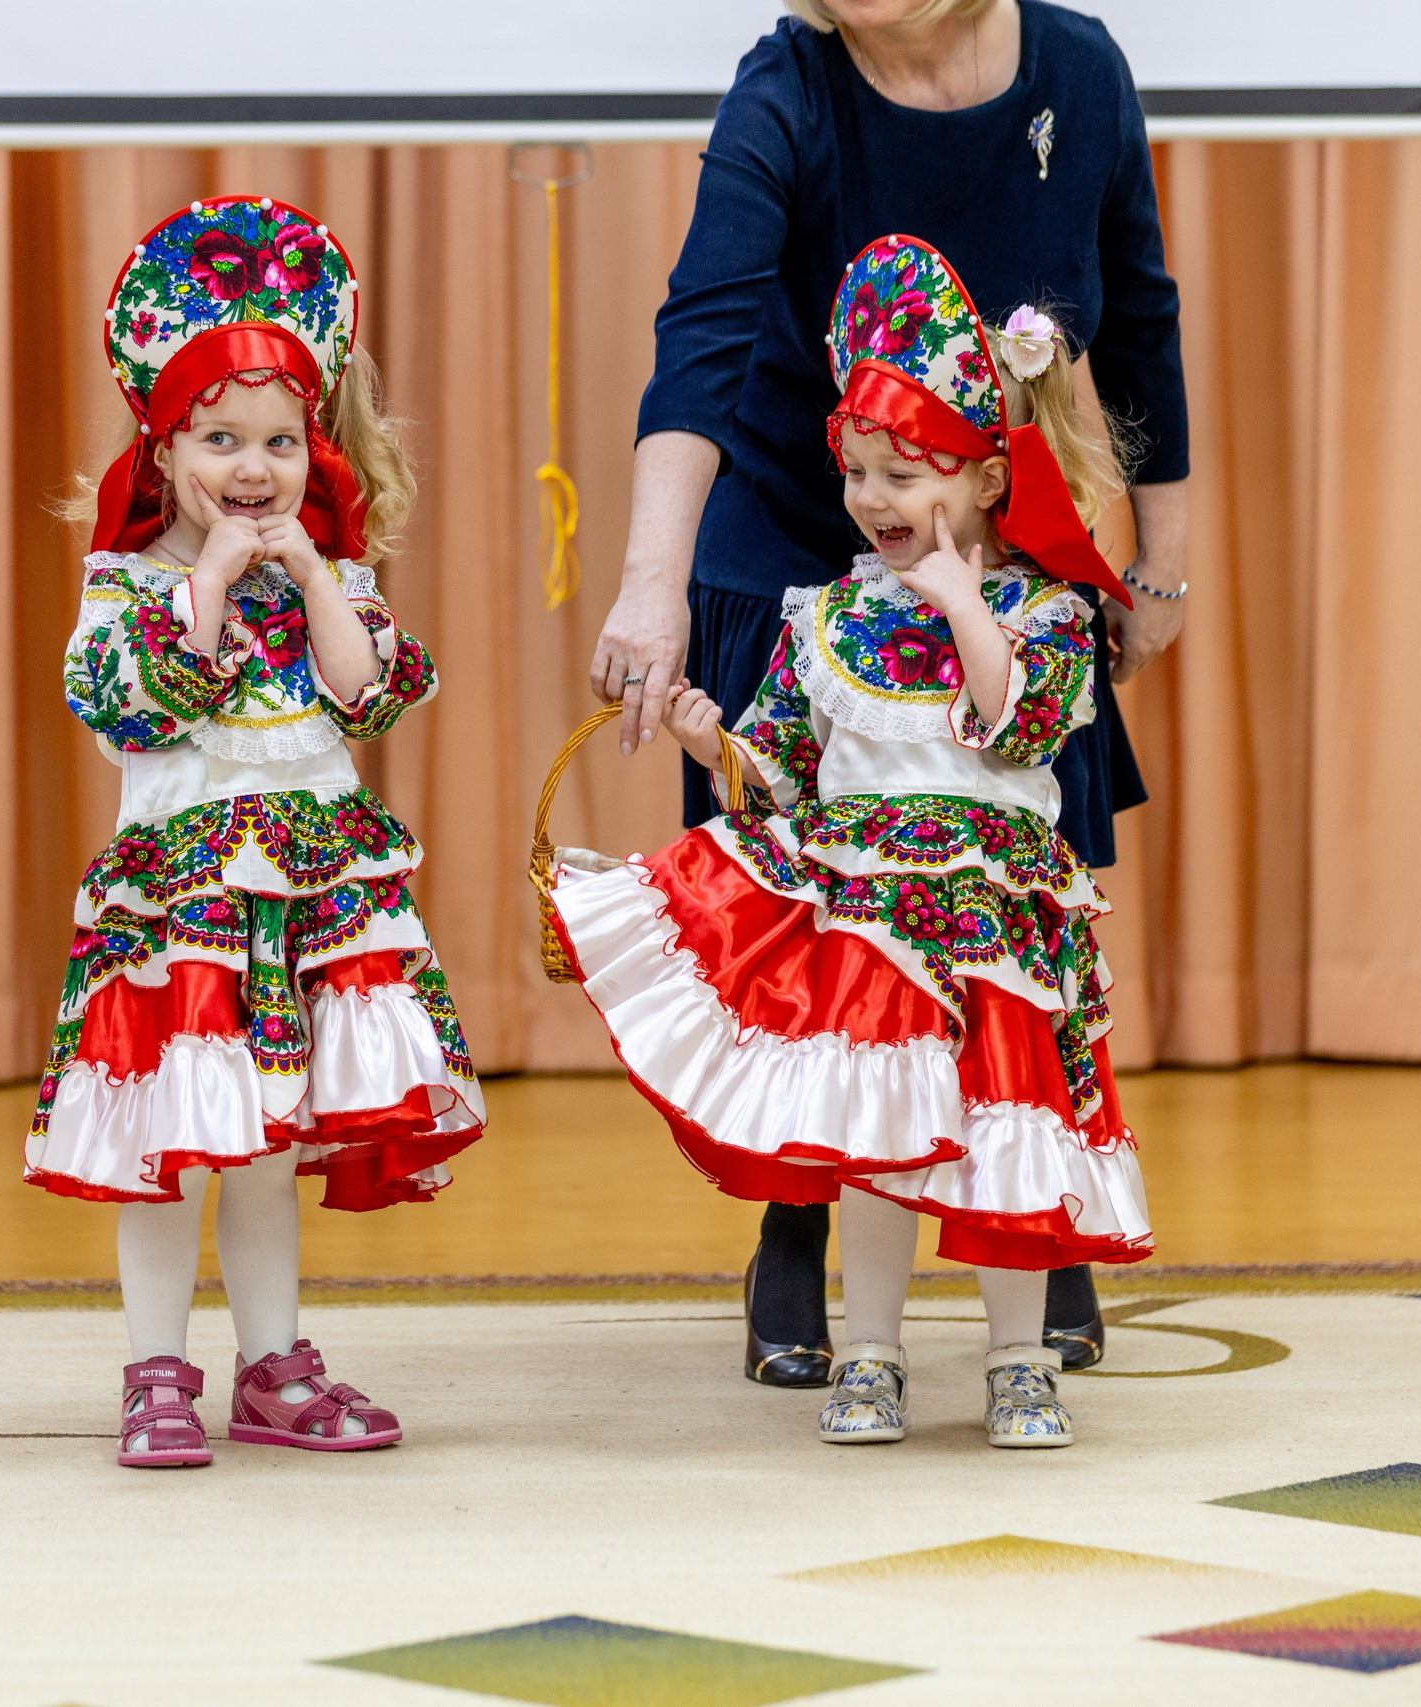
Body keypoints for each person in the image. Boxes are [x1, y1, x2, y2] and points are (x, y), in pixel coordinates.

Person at [591, 0, 1190, 1385]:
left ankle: (1039, 1218)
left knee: (1014, 893)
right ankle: (798, 1229)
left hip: (1015, 547)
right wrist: (649, 580)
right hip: (802, 534)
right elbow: (704, 335)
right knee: (818, 913)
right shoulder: (787, 87)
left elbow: (1138, 308)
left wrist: (1156, 560)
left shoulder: (1081, 70)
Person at [30, 196, 484, 1469]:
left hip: (311, 903)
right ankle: (155, 1371)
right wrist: (215, 580)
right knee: (178, 1153)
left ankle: (273, 1367)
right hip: (184, 913)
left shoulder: (330, 585)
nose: (251, 469)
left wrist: (319, 573)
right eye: (220, 439)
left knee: (270, 1152)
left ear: (314, 450)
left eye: (279, 443)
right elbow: (125, 711)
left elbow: (376, 695)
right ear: (165, 451)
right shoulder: (126, 592)